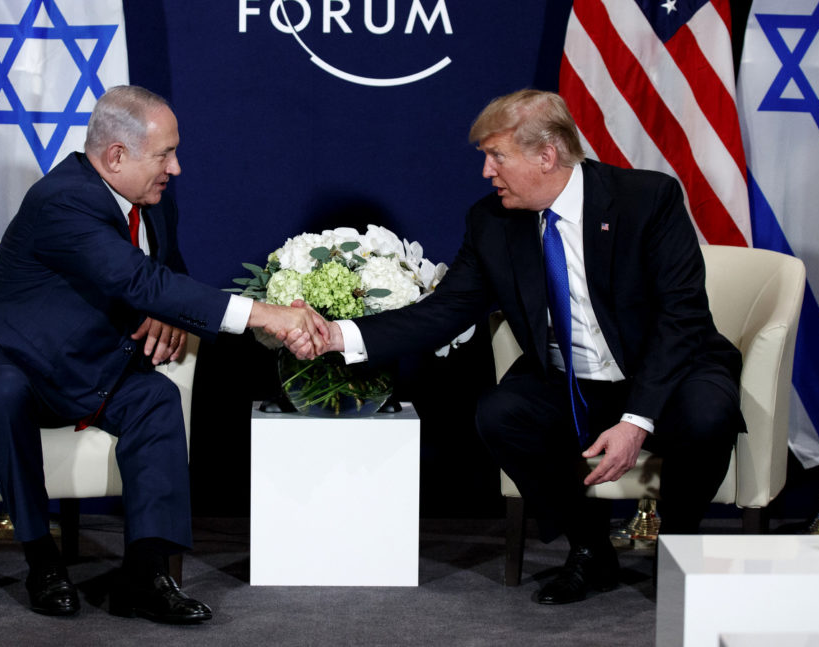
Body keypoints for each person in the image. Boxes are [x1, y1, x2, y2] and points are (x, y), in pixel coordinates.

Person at [287, 89, 744, 605]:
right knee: (501, 413)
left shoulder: (647, 199)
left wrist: (637, 420)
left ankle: (679, 547)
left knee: (710, 410)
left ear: (546, 155)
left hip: (670, 369)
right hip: (573, 381)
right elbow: (444, 312)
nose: (486, 171)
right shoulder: (493, 222)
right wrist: (340, 335)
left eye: (496, 156)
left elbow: (680, 319)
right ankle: (590, 549)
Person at [0, 85, 325, 621]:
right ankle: (41, 558)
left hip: (91, 362)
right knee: (5, 394)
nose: (177, 167)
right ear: (116, 156)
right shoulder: (63, 198)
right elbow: (137, 279)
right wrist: (269, 314)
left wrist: (168, 310)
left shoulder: (150, 202)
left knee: (157, 400)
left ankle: (146, 574)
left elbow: (166, 282)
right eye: (165, 153)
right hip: (11, 355)